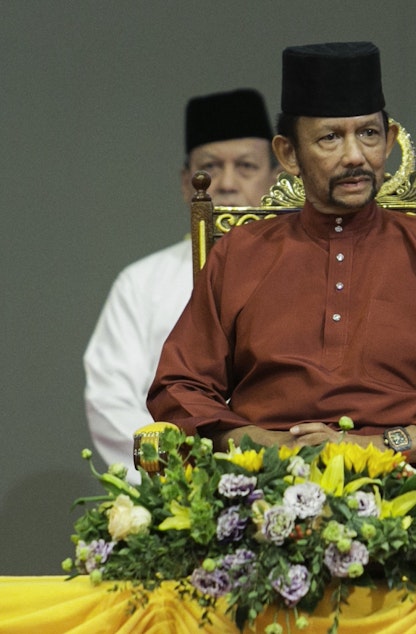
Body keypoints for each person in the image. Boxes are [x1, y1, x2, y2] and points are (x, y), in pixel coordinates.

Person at [148, 41, 416, 464]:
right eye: (331, 138)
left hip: (415, 490)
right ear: (288, 154)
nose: (355, 156)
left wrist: (382, 446)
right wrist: (266, 445)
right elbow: (178, 389)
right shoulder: (241, 255)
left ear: (389, 142)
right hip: (265, 490)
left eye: (368, 134)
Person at [84, 89, 279, 478]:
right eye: (209, 167)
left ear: (277, 179)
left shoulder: (308, 269)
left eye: (245, 166)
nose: (225, 183)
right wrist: (185, 474)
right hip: (180, 492)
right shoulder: (141, 282)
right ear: (186, 182)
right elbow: (111, 401)